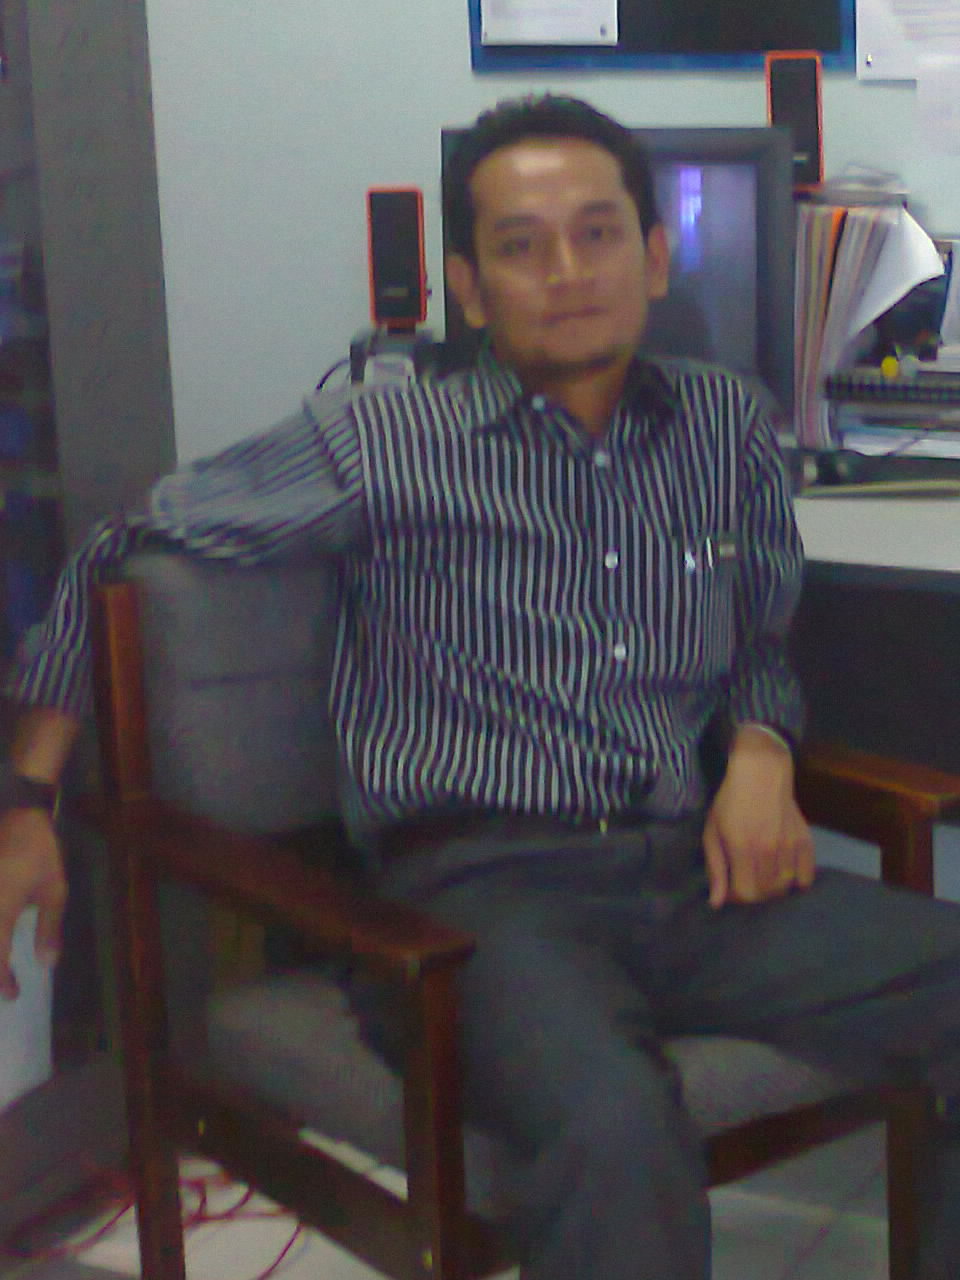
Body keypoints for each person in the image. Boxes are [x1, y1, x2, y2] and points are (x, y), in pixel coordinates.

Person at [2, 94, 960, 1278]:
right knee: (612, 1124)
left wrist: (762, 746)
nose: (568, 270)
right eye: (521, 244)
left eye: (599, 233)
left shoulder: (725, 424)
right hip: (479, 903)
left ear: (656, 256)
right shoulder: (383, 439)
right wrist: (28, 799)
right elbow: (123, 542)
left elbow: (761, 625)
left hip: (688, 876)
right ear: (468, 283)